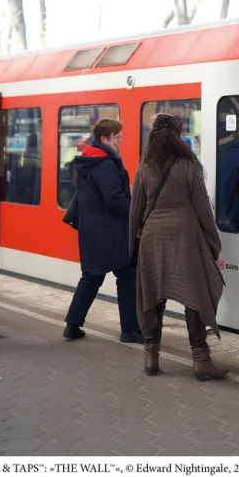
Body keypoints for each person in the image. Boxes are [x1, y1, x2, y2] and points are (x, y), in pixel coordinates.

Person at [129, 113, 228, 381]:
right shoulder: (188, 166)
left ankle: (151, 357)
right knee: (195, 294)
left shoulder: (144, 167)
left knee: (151, 296)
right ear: (177, 135)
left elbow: (135, 211)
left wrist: (132, 247)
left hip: (151, 238)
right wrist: (213, 242)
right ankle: (201, 360)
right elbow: (203, 208)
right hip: (184, 237)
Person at [63, 118, 143, 344]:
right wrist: (135, 215)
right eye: (117, 137)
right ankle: (130, 330)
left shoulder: (90, 159)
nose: (120, 141)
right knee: (127, 275)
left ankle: (72, 324)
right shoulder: (105, 163)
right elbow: (114, 199)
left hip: (92, 228)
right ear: (104, 138)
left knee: (92, 276)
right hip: (111, 229)